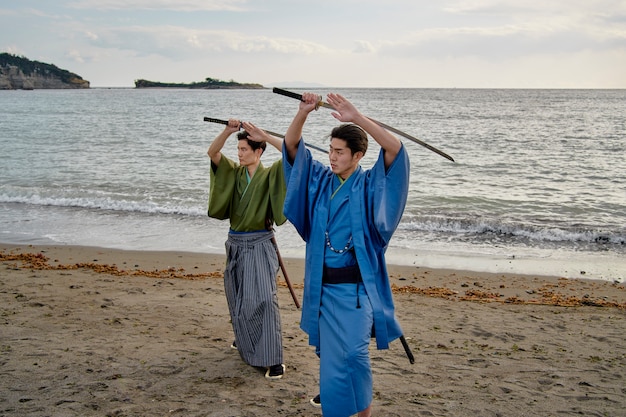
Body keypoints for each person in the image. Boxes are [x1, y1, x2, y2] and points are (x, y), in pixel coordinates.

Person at [282, 93, 410, 416]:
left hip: (356, 293)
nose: (332, 157)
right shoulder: (321, 182)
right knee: (332, 363)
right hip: (324, 292)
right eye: (330, 150)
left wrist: (358, 118)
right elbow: (292, 148)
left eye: (340, 152)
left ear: (358, 155)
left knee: (355, 356)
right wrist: (303, 113)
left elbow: (395, 150)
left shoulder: (369, 185)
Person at [207, 119, 287, 379]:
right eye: (238, 149)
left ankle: (274, 360)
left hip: (260, 242)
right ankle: (244, 340)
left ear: (258, 152)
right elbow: (213, 153)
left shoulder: (271, 173)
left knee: (264, 297)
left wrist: (264, 135)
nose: (239, 154)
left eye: (244, 149)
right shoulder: (233, 172)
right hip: (235, 242)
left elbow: (292, 154)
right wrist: (228, 131)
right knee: (238, 296)